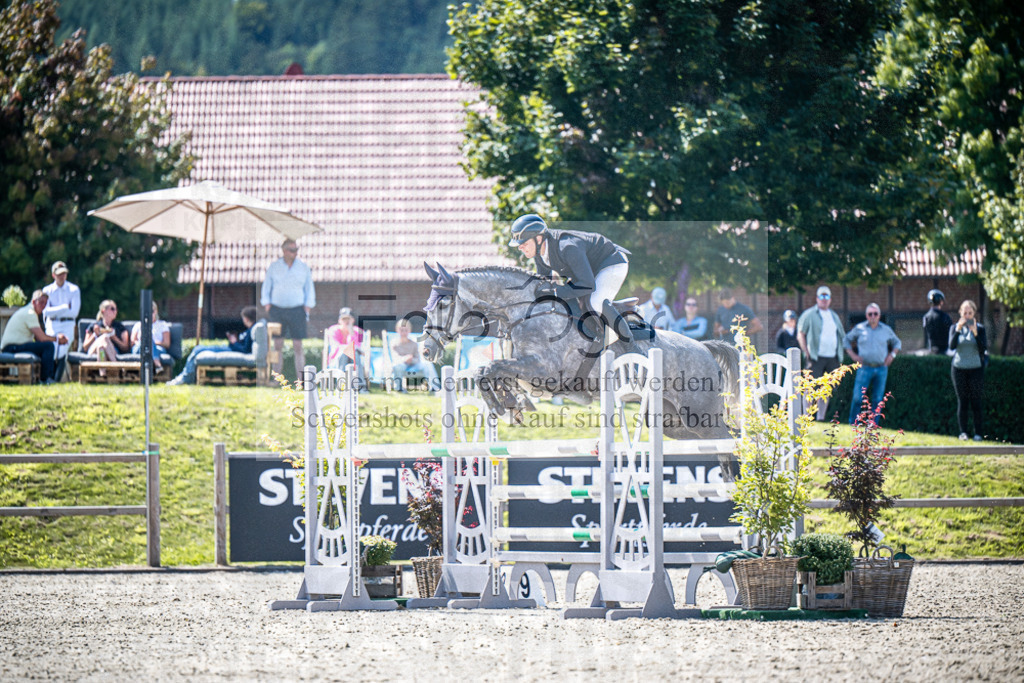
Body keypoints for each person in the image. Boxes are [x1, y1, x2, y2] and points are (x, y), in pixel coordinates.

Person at [508, 214, 638, 352]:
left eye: (524, 244)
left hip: (611, 262)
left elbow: (588, 285)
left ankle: (631, 347)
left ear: (538, 238)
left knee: (595, 301)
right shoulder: (539, 254)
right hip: (588, 271)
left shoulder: (567, 247)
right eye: (520, 246)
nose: (521, 248)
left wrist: (556, 292)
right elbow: (544, 283)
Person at [168, 306, 264, 385]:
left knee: (198, 349)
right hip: (230, 348)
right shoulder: (251, 330)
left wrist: (234, 342)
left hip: (230, 350)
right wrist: (235, 340)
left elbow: (244, 350)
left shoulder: (252, 330)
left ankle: (185, 377)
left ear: (246, 319)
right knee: (198, 349)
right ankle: (186, 376)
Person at [261, 239, 316, 378]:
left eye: (296, 250)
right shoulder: (274, 267)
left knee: (298, 345)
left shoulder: (303, 267)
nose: (295, 253)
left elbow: (309, 288)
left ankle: (301, 380)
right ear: (284, 251)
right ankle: (275, 378)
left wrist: (307, 307)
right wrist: (267, 305)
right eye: (292, 250)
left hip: (297, 310)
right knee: (277, 344)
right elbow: (266, 286)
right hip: (277, 310)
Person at [843, 303, 902, 424]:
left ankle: (873, 426)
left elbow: (897, 343)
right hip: (864, 368)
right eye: (870, 314)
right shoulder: (860, 328)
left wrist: (892, 355)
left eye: (875, 314)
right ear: (866, 315)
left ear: (879, 315)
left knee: (877, 399)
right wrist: (853, 356)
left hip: (881, 369)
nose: (873, 316)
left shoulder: (886, 330)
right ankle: (853, 424)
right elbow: (846, 340)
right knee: (857, 398)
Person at [797, 286, 846, 419]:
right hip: (815, 357)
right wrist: (806, 351)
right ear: (817, 298)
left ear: (830, 299)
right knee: (810, 387)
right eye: (822, 296)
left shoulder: (834, 316)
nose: (824, 299)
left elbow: (841, 335)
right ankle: (806, 417)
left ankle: (820, 418)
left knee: (827, 389)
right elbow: (801, 333)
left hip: (832, 357)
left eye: (827, 297)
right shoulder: (809, 314)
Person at [0, 290, 68, 383]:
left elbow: (38, 338)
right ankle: (46, 379)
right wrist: (57, 339)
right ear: (33, 302)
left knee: (44, 347)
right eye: (41, 302)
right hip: (12, 348)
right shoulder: (30, 313)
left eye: (45, 303)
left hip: (13, 347)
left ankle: (43, 378)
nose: (43, 306)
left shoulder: (29, 312)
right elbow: (42, 338)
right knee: (48, 346)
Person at [948, 299, 987, 441]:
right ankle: (963, 432)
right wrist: (958, 330)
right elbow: (951, 346)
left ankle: (978, 434)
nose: (967, 315)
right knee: (962, 401)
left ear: (974, 314)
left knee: (976, 401)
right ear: (961, 313)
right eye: (965, 313)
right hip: (959, 368)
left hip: (976, 368)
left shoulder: (980, 328)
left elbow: (983, 349)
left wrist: (975, 333)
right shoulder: (954, 328)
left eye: (970, 313)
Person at [42, 261, 81, 378]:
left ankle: (55, 378)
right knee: (53, 348)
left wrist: (55, 310)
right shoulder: (47, 290)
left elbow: (74, 312)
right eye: (59, 274)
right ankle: (50, 377)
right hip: (52, 323)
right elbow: (46, 311)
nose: (62, 276)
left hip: (67, 324)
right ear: (53, 275)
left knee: (62, 349)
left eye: (64, 274)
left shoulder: (73, 290)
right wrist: (64, 307)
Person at [390, 318, 440, 392]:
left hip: (414, 366)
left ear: (409, 331)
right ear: (397, 330)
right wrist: (405, 359)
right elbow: (395, 358)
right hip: (401, 365)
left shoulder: (413, 343)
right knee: (396, 366)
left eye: (406, 330)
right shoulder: (394, 343)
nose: (403, 332)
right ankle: (399, 388)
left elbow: (417, 359)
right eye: (401, 330)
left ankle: (435, 388)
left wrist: (411, 360)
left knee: (428, 364)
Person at [325, 307, 367, 391]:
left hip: (354, 358)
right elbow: (335, 346)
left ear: (353, 320)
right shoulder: (333, 330)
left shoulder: (358, 331)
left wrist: (351, 332)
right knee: (344, 353)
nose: (346, 321)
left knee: (354, 353)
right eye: (344, 319)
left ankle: (360, 386)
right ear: (339, 320)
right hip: (338, 358)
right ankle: (341, 384)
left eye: (348, 319)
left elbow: (357, 347)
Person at [131, 301, 172, 369]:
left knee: (148, 340)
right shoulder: (138, 325)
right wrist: (142, 342)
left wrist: (152, 342)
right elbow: (132, 341)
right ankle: (157, 363)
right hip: (139, 348)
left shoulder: (163, 325)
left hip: (158, 348)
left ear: (156, 311)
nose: (150, 313)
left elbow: (166, 344)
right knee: (146, 341)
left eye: (152, 311)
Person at [923, 289, 953, 355]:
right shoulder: (945, 316)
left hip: (931, 350)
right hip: (945, 351)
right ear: (941, 302)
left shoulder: (926, 317)